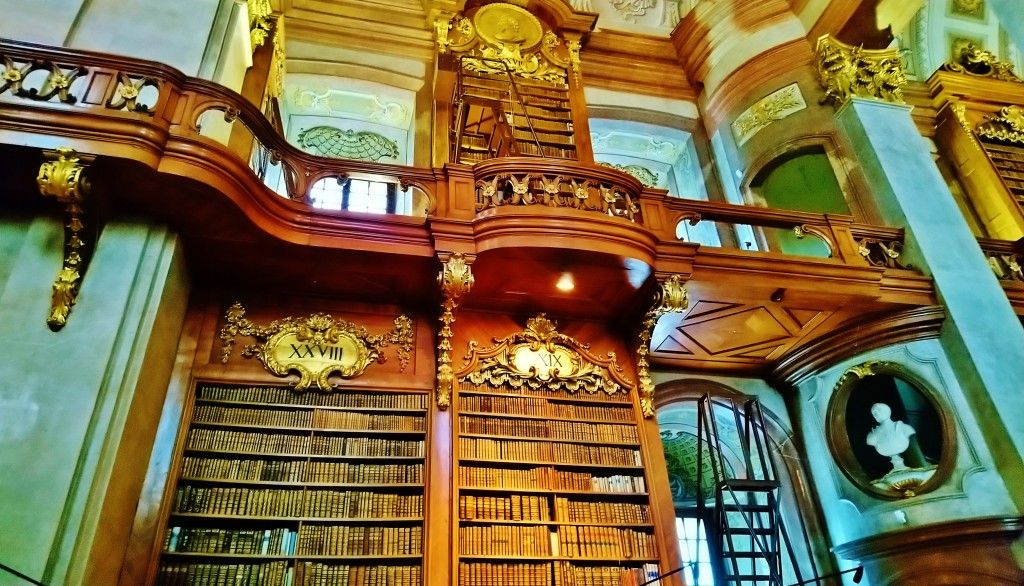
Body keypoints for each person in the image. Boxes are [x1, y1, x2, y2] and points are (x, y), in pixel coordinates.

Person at [865, 402, 916, 472]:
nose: (876, 414)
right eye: (873, 412)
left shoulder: (904, 428)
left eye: (878, 410)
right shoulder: (872, 436)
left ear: (887, 411)